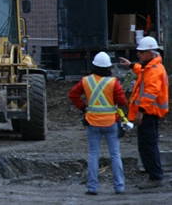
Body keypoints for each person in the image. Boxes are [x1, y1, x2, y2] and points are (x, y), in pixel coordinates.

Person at [68, 51, 127, 195]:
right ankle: (119, 187)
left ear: (94, 65)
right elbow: (122, 102)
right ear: (108, 67)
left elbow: (73, 94)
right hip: (110, 123)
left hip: (92, 122)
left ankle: (92, 188)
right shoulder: (113, 82)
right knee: (115, 155)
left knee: (93, 155)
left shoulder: (86, 81)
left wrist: (83, 107)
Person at [119, 36, 169, 189]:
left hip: (148, 114)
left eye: (141, 52)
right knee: (148, 145)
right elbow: (141, 70)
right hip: (150, 113)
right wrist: (131, 65)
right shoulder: (151, 67)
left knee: (147, 146)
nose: (138, 54)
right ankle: (155, 175)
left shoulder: (153, 70)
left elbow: (149, 93)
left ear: (150, 53)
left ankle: (155, 177)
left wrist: (140, 111)